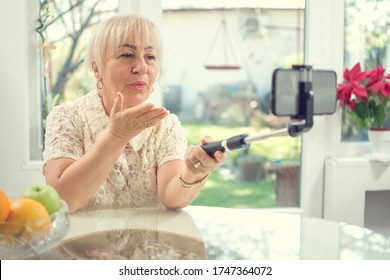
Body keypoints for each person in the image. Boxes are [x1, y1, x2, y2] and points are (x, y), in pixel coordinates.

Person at [42, 15, 226, 213]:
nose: (142, 68)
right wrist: (116, 136)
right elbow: (62, 201)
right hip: (80, 243)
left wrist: (194, 172)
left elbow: (171, 198)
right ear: (97, 68)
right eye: (127, 55)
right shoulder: (66, 118)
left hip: (147, 244)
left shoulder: (166, 125)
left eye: (150, 57)